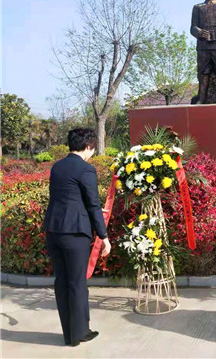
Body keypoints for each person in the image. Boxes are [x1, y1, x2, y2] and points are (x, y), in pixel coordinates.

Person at [43, 128, 111, 347]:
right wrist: (104, 236)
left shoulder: (57, 167)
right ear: (88, 146)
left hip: (54, 230)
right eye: (93, 148)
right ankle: (79, 334)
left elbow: (67, 198)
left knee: (62, 282)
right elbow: (92, 204)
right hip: (75, 233)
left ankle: (69, 334)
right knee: (77, 284)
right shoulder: (86, 169)